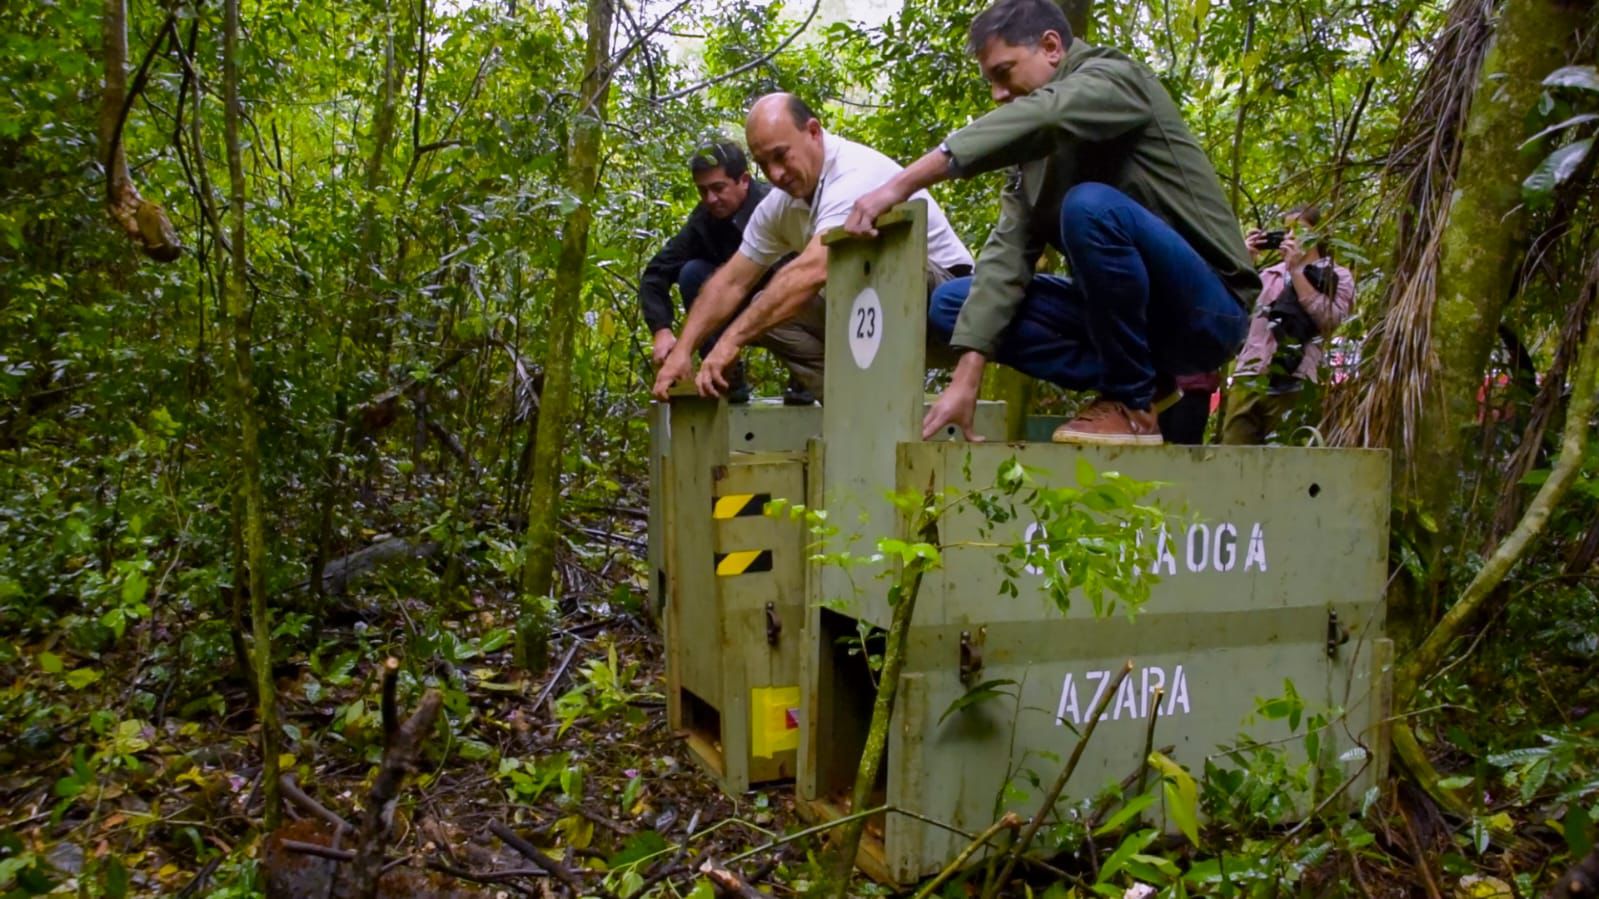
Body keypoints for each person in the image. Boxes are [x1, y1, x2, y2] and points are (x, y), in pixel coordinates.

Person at [842, 0, 1258, 446]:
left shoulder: (1115, 78)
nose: (998, 95)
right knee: (953, 304)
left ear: (1052, 47)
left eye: (1004, 73)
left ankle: (1128, 397)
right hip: (1133, 327)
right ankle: (1148, 384)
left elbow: (1050, 114)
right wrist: (967, 374)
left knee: (1089, 207)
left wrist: (901, 184)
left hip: (1207, 311)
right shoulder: (1032, 163)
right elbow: (1006, 261)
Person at [650, 94, 974, 403]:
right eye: (764, 163)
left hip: (946, 310)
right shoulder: (780, 205)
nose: (775, 174)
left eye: (781, 156)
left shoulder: (852, 173)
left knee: (816, 280)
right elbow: (731, 281)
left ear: (814, 132)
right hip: (877, 313)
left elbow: (813, 270)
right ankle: (851, 408)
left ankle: (872, 407)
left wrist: (730, 341)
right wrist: (682, 352)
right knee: (766, 308)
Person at [639, 142, 769, 404]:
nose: (710, 199)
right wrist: (661, 330)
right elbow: (655, 274)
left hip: (783, 305)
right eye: (703, 190)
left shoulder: (774, 205)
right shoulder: (704, 221)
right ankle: (724, 377)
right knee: (692, 273)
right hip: (732, 305)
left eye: (718, 188)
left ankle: (803, 381)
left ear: (744, 180)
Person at [1220, 205, 1354, 445]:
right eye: (1286, 230)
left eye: (1299, 229)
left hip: (1298, 378)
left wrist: (1297, 270)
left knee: (1287, 456)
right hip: (1250, 375)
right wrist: (1243, 263)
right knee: (1233, 455)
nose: (1290, 236)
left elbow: (1330, 320)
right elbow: (1229, 311)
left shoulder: (1337, 275)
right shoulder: (1267, 275)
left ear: (1318, 234)